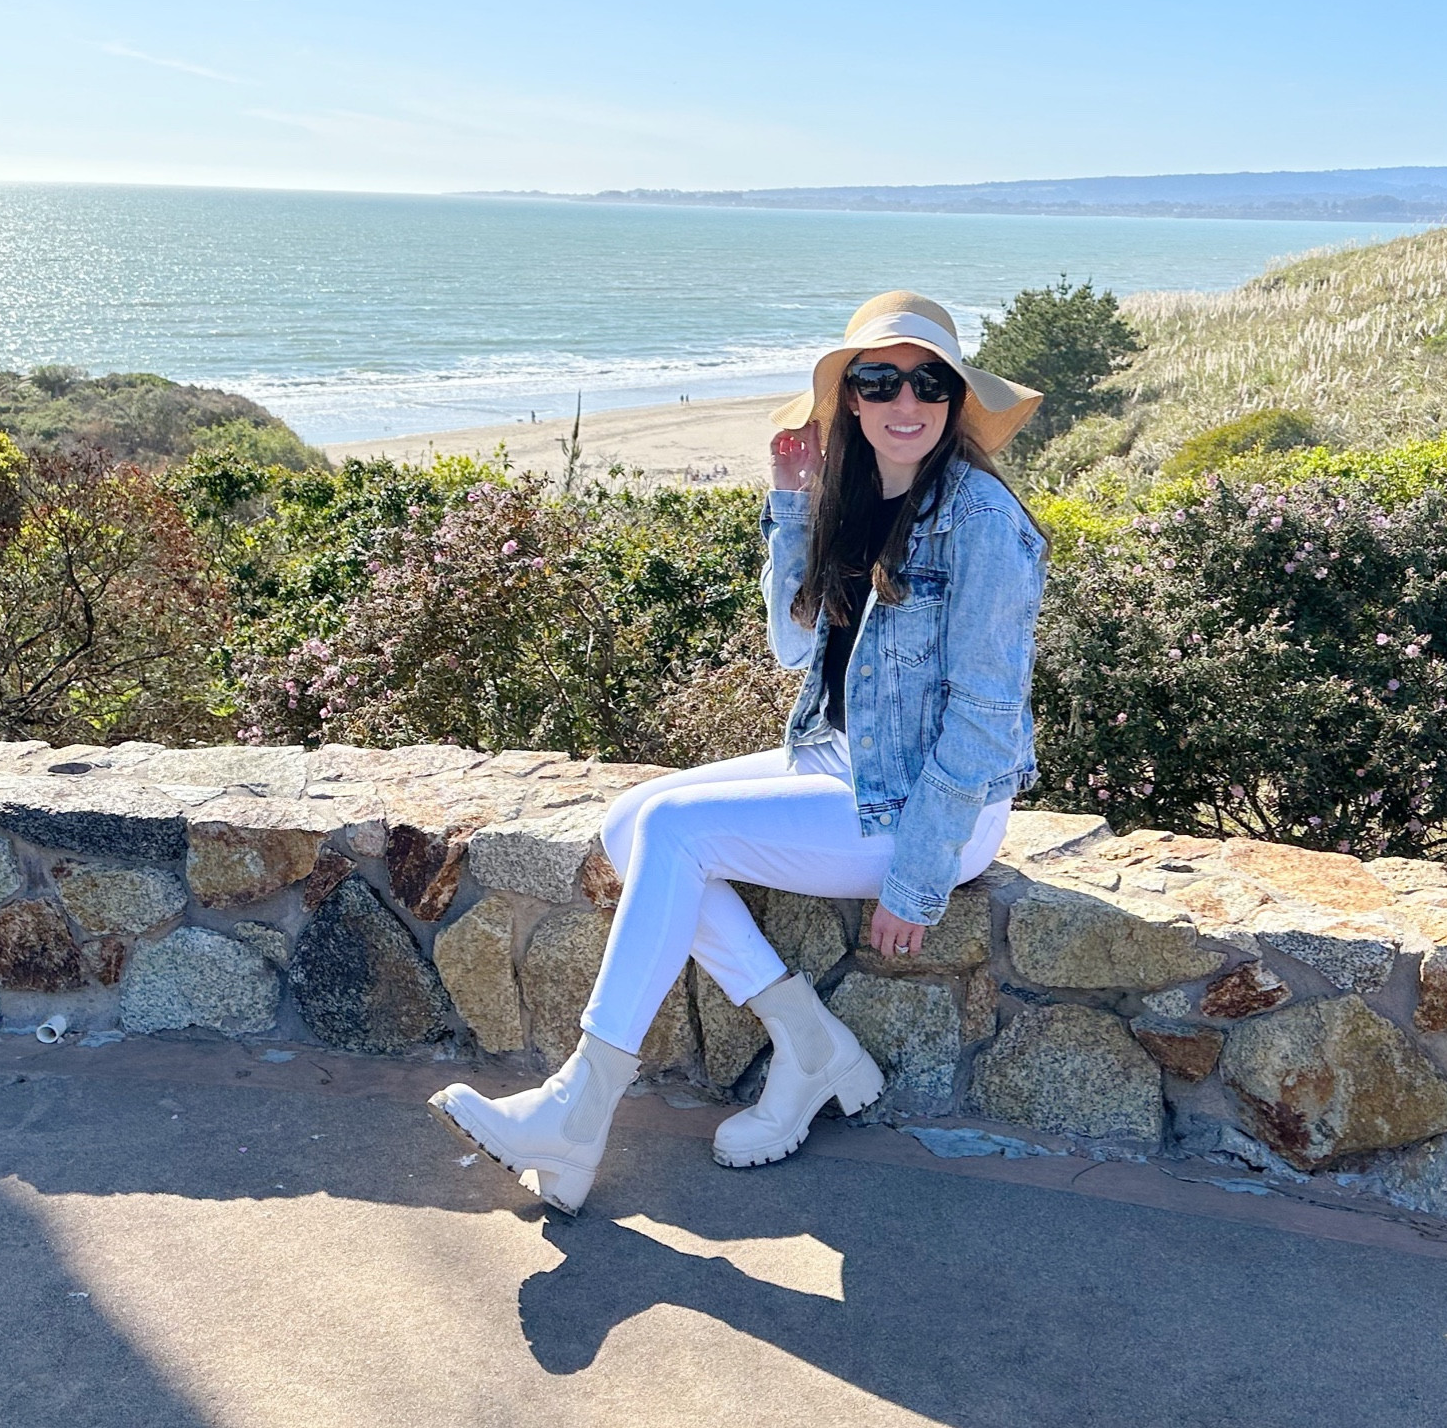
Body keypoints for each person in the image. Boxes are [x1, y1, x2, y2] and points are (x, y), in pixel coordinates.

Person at [428, 291, 1049, 1214]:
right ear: (850, 399)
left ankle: (579, 1107)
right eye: (879, 381)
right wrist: (792, 507)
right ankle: (809, 1045)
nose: (904, 402)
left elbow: (986, 715)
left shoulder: (982, 521)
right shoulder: (858, 496)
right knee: (631, 822)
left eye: (929, 382)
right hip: (844, 764)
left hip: (931, 810)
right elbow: (796, 649)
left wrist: (919, 874)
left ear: (957, 400)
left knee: (676, 831)